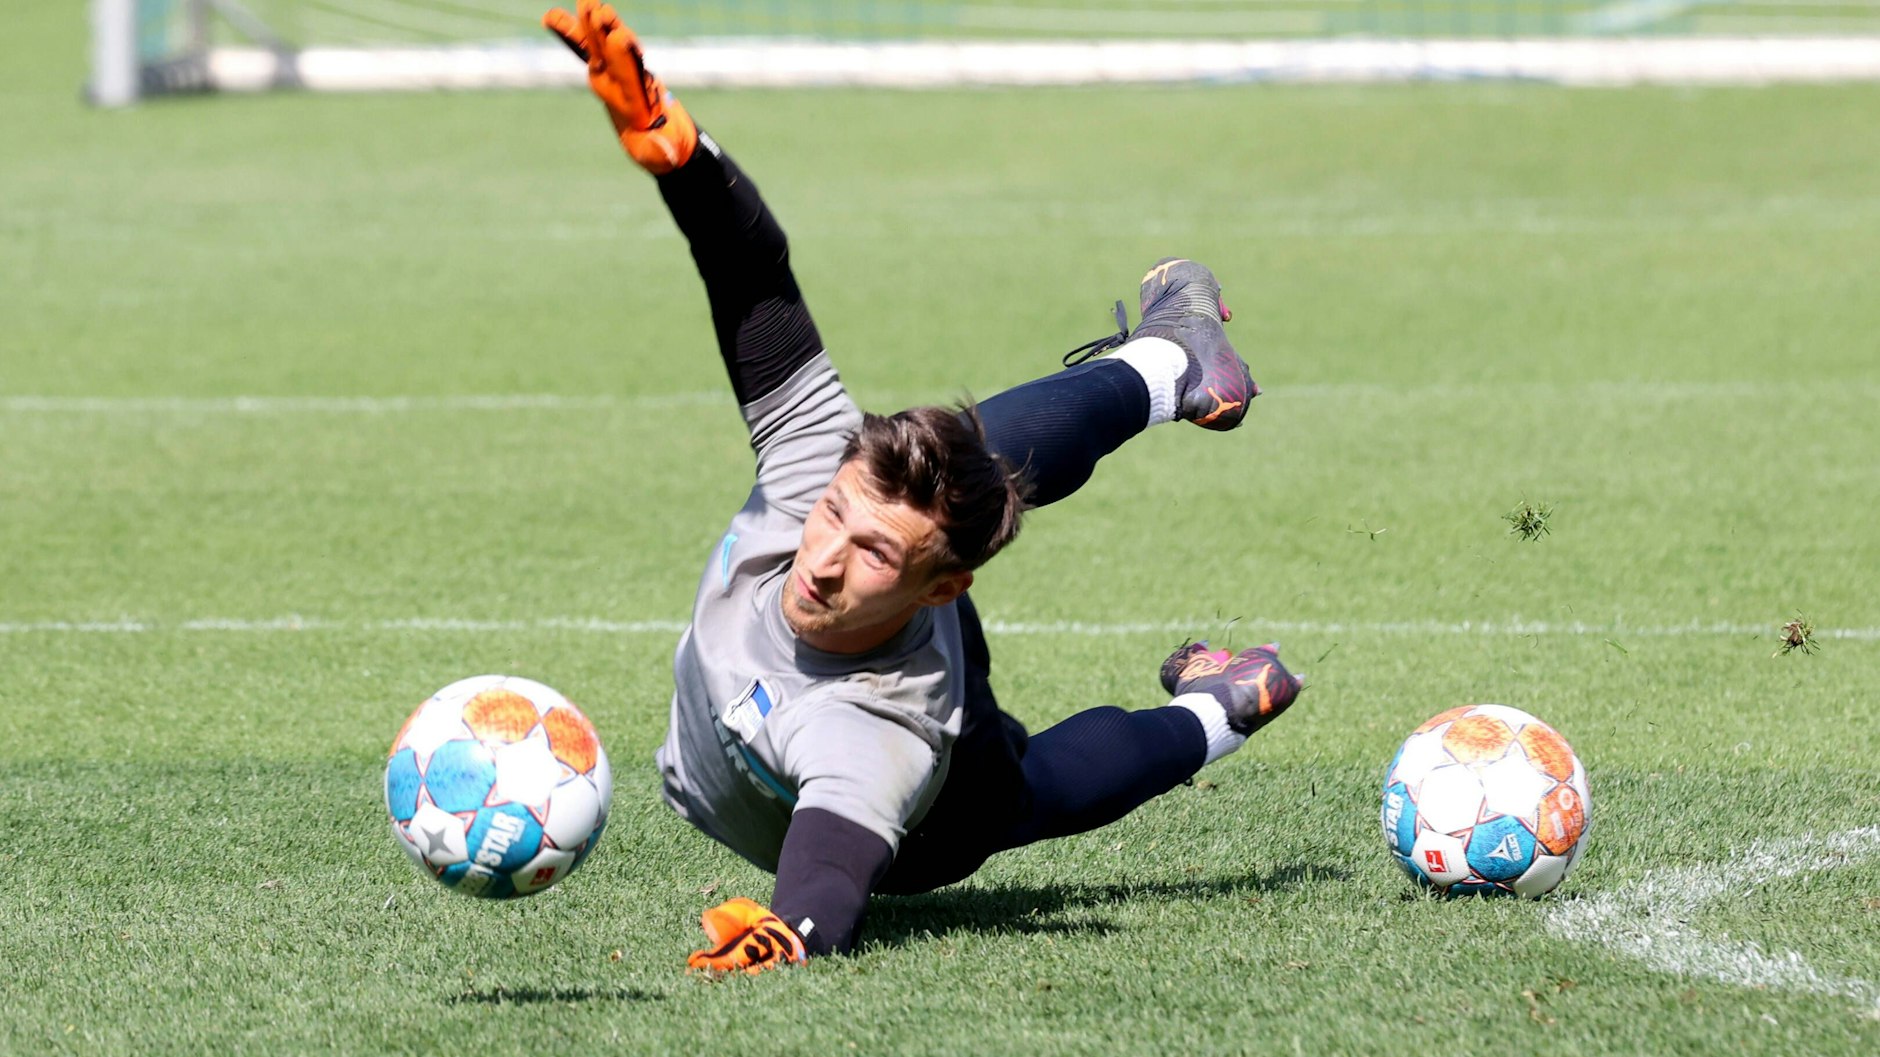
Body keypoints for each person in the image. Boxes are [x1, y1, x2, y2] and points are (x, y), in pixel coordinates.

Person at [542, 1, 1304, 973]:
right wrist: (684, 155)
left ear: (945, 586)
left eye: (869, 554)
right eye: (833, 519)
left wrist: (792, 935)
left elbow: (827, 870)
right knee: (960, 461)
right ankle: (1170, 361)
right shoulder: (815, 471)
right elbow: (750, 278)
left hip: (925, 826)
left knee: (1022, 794)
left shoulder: (883, 728)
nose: (821, 559)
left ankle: (1223, 709)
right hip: (908, 585)